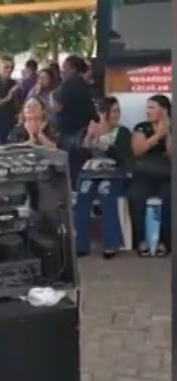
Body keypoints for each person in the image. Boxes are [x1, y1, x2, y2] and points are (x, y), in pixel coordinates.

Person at [74, 96, 132, 259]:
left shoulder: (122, 132)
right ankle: (81, 245)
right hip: (90, 173)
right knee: (83, 196)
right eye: (112, 111)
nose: (116, 115)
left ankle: (110, 244)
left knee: (106, 193)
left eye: (118, 111)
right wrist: (90, 136)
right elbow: (78, 152)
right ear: (102, 113)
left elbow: (123, 158)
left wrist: (105, 143)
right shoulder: (89, 129)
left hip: (113, 174)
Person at [128, 94, 171, 257]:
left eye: (152, 107)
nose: (148, 111)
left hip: (166, 174)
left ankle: (164, 242)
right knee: (136, 196)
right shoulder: (142, 127)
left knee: (169, 198)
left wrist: (168, 132)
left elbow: (171, 154)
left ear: (164, 110)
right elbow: (138, 151)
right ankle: (141, 240)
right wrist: (157, 136)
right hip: (145, 173)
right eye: (147, 107)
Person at [54, 55, 98, 185]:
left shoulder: (68, 85)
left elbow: (58, 107)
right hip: (83, 132)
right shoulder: (84, 86)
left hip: (70, 133)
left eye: (65, 67)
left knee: (70, 170)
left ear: (73, 69)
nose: (62, 70)